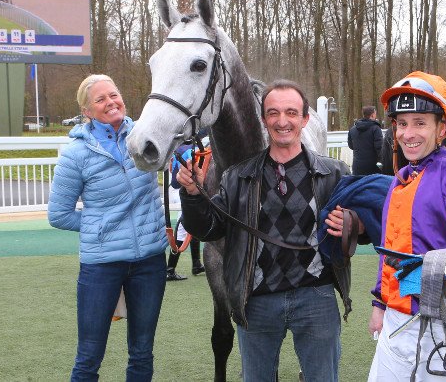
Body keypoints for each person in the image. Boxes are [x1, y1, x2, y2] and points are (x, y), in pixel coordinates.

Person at [329, 71, 446, 381]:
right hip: (394, 325)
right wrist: (380, 304)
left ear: (442, 129)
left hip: (441, 328)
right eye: (402, 124)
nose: (408, 133)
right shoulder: (400, 180)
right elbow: (391, 251)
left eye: (420, 123)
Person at [176, 79, 350, 381]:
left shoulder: (334, 173)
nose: (282, 121)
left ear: (305, 119)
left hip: (316, 299)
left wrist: (352, 225)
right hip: (257, 301)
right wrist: (193, 194)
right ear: (263, 119)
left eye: (291, 113)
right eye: (273, 113)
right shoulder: (236, 178)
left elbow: (364, 230)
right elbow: (208, 228)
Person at [48, 74, 168, 381]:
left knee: (142, 352)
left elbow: (179, 156)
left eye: (113, 95)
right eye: (100, 99)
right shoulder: (76, 154)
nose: (111, 102)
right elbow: (59, 215)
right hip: (101, 264)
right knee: (89, 356)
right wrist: (102, 228)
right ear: (86, 111)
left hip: (149, 261)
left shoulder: (144, 136)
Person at [166, 143, 205, 281]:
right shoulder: (190, 150)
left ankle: (196, 264)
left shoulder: (179, 148)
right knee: (184, 229)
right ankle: (170, 269)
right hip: (183, 190)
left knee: (194, 226)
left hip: (178, 189)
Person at [347, 105, 384, 175]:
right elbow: (379, 148)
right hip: (372, 167)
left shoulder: (352, 129)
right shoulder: (375, 128)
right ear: (372, 115)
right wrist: (384, 162)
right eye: (375, 113)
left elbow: (351, 146)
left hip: (357, 166)